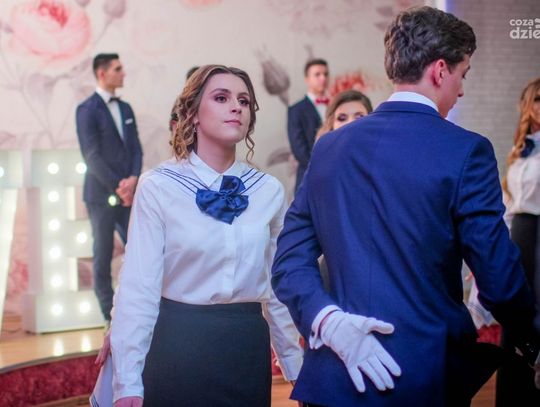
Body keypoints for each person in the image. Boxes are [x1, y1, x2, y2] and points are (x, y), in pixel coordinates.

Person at [271, 6, 540, 407]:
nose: (461, 91)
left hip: (333, 381)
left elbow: (288, 261)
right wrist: (533, 339)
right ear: (440, 70)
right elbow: (498, 277)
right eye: (463, 74)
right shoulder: (466, 151)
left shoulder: (329, 148)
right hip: (421, 375)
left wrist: (328, 321)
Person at [108, 65, 303, 407]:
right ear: (193, 113)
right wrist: (127, 381)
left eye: (244, 101)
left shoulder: (268, 190)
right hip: (178, 343)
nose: (236, 107)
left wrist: (294, 365)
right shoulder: (158, 186)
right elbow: (139, 286)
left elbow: (276, 286)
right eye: (221, 98)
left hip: (246, 345)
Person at [76, 53, 143, 324]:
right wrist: (118, 186)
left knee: (140, 251)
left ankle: (138, 311)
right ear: (102, 73)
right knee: (102, 256)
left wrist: (134, 178)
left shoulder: (126, 108)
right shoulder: (86, 109)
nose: (123, 73)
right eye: (118, 69)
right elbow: (91, 155)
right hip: (101, 196)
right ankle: (109, 318)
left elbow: (136, 148)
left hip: (128, 195)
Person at [498, 77, 540, 406]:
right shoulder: (521, 150)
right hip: (520, 239)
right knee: (516, 316)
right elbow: (509, 207)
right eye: (538, 99)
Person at [288, 58, 329, 192]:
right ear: (307, 79)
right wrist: (322, 167)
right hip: (307, 176)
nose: (323, 78)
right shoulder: (296, 110)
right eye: (317, 74)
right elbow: (299, 149)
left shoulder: (336, 107)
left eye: (326, 74)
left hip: (335, 176)